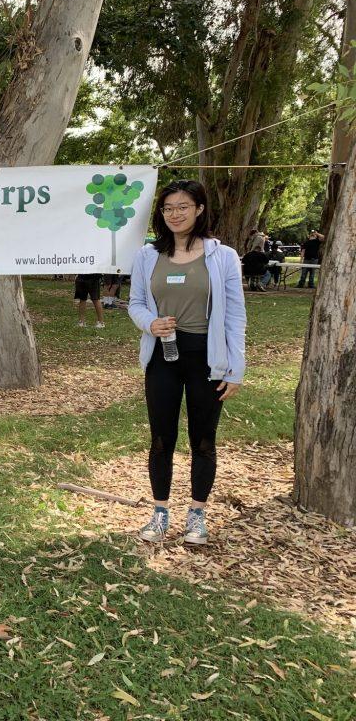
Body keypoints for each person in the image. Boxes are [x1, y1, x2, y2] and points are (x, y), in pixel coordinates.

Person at [128, 179, 245, 545]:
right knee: (161, 439)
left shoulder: (221, 256)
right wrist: (150, 322)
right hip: (163, 356)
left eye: (183, 206)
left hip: (207, 359)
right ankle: (159, 512)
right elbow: (135, 304)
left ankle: (196, 514)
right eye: (168, 208)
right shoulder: (148, 255)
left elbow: (235, 315)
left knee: (203, 440)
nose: (175, 213)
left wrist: (236, 368)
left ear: (199, 209)